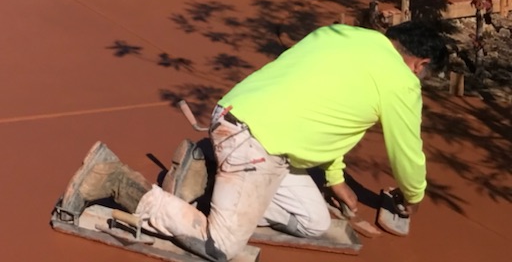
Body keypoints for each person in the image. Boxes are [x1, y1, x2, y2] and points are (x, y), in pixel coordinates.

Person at [61, 21, 448, 261]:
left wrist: (334, 179)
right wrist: (412, 198)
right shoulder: (401, 80)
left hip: (240, 122)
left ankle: (212, 174)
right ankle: (112, 178)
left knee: (313, 222)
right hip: (255, 144)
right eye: (423, 77)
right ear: (421, 65)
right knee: (221, 246)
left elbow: (327, 111)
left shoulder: (341, 35)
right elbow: (407, 154)